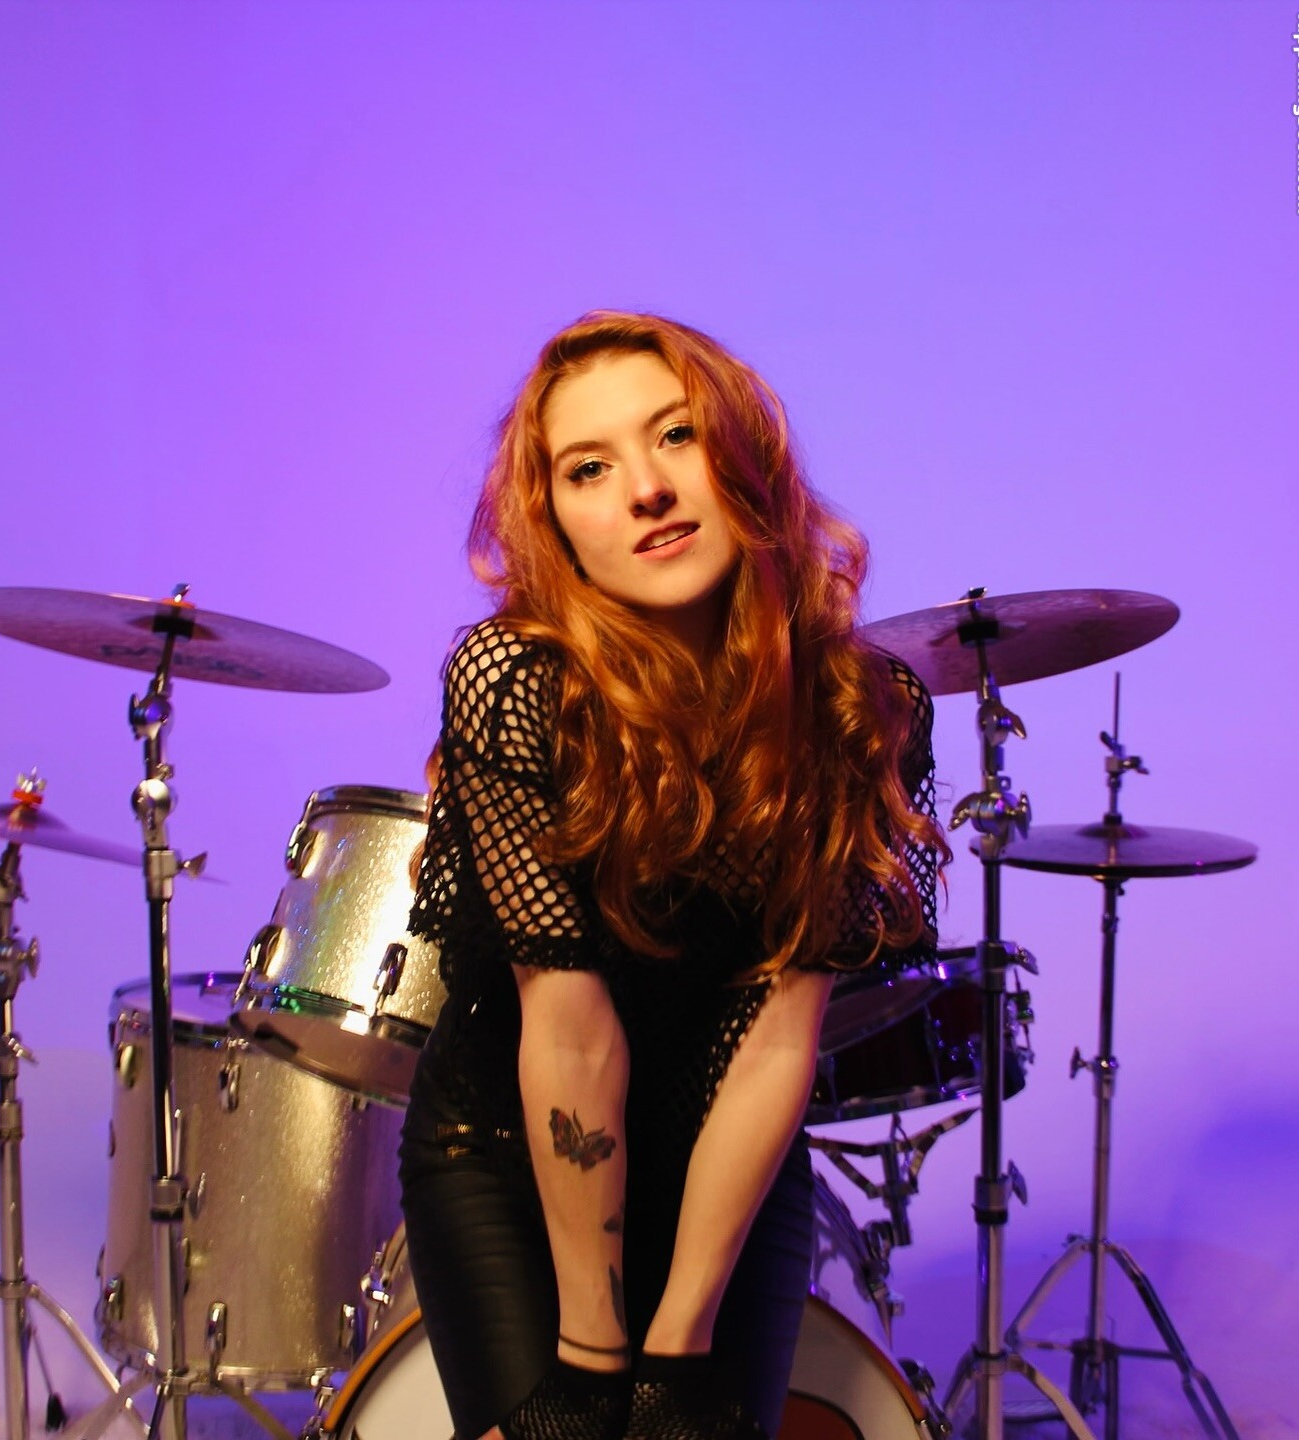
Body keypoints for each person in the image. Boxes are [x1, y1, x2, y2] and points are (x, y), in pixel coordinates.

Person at [399, 311, 947, 1440]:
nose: (646, 489)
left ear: (745, 455)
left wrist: (678, 1348)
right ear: (555, 524)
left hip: (728, 1176)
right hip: (508, 1159)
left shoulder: (862, 709)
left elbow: (779, 1037)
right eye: (588, 469)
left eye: (677, 435)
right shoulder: (516, 683)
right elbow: (570, 1030)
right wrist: (594, 1360)